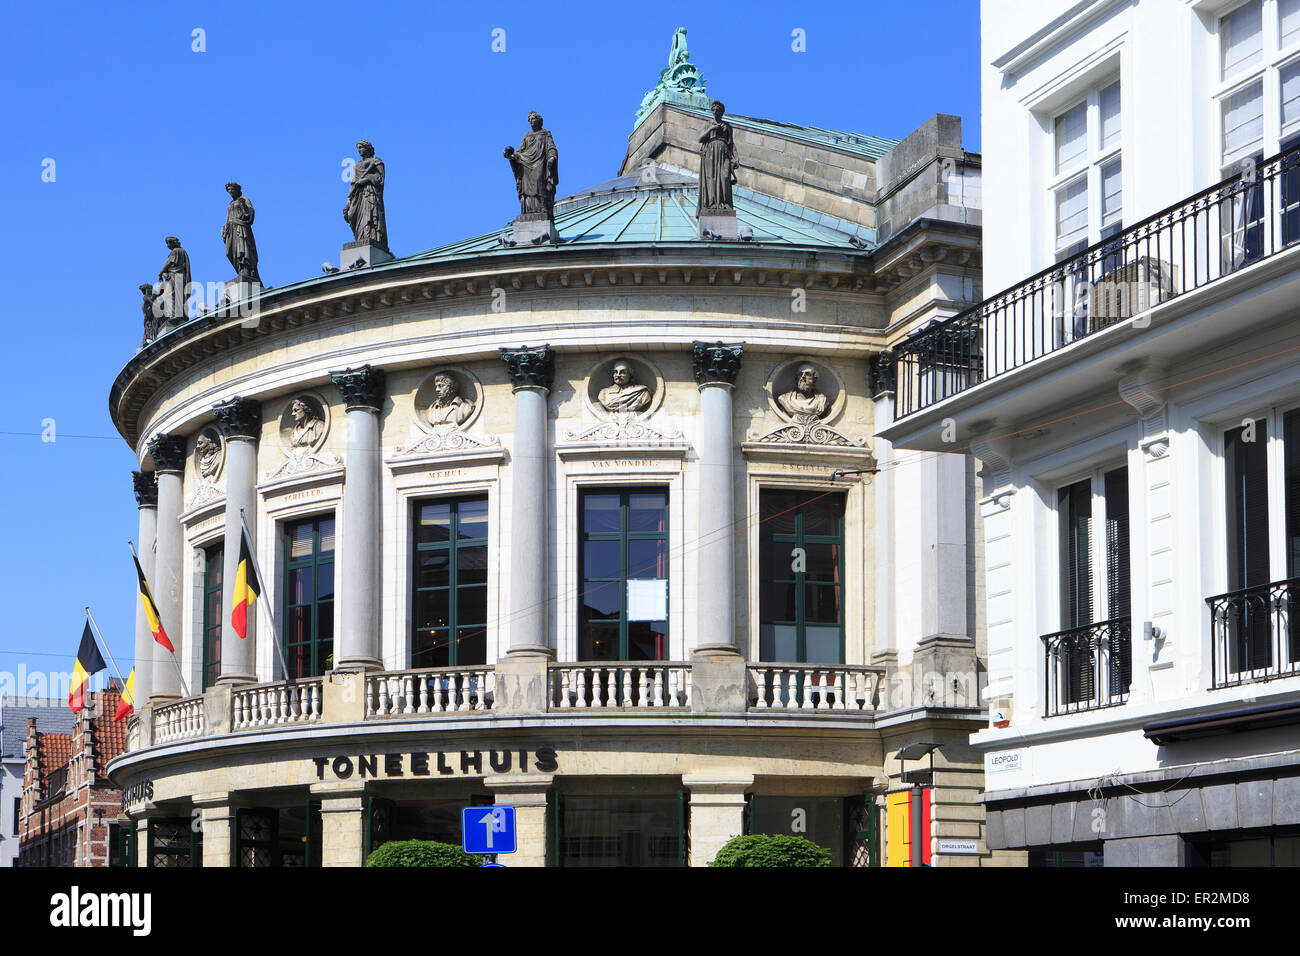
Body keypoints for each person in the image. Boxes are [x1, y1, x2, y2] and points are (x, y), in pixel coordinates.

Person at [504, 112, 559, 218]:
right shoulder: (527, 136)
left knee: (539, 182)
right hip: (525, 163)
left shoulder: (545, 134)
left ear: (539, 120)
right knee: (526, 189)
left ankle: (543, 207)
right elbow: (520, 151)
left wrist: (552, 156)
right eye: (530, 119)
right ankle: (528, 210)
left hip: (540, 162)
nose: (531, 120)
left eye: (533, 118)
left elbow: (551, 147)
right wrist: (511, 156)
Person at [344, 140, 388, 250]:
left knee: (370, 215)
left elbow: (380, 179)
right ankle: (361, 238)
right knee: (355, 217)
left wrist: (367, 179)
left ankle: (374, 238)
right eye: (358, 148)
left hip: (370, 194)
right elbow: (353, 184)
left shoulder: (376, 161)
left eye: (361, 147)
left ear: (367, 148)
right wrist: (349, 200)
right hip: (358, 195)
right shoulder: (356, 166)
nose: (359, 150)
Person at [697, 100, 738, 216]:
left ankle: (724, 203)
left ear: (722, 112)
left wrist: (736, 158)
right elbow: (699, 139)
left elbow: (732, 144)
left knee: (725, 177)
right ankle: (712, 203)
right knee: (711, 178)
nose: (716, 112)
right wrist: (711, 129)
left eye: (718, 110)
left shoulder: (728, 126)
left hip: (724, 152)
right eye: (714, 110)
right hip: (710, 152)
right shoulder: (708, 124)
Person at [223, 182, 261, 282]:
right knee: (229, 252)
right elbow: (228, 217)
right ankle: (240, 270)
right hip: (231, 230)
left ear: (237, 190)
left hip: (241, 228)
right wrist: (225, 227)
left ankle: (246, 271)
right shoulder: (230, 203)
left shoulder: (244, 199)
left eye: (232, 189)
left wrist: (244, 208)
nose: (230, 191)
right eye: (229, 190)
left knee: (243, 249)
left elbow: (250, 212)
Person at [157, 236, 191, 321]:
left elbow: (168, 263)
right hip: (179, 276)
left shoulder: (175, 251)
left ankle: (175, 315)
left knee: (170, 295)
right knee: (179, 295)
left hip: (175, 276)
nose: (167, 246)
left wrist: (161, 272)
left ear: (172, 243)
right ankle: (179, 315)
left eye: (168, 243)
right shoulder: (183, 251)